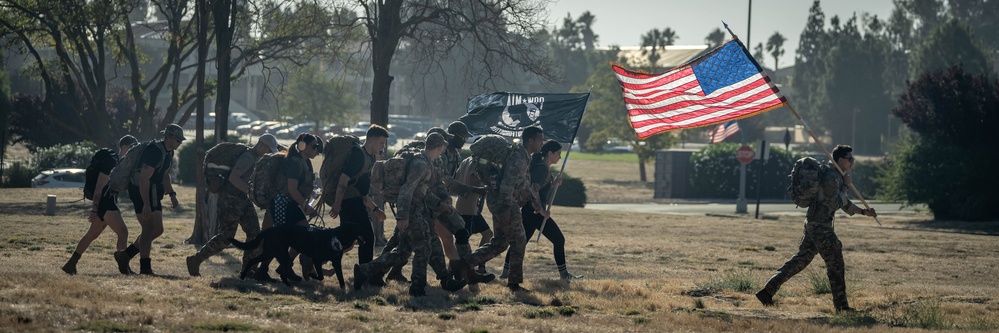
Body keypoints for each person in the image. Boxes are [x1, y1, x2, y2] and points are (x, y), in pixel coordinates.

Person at [756, 145, 877, 312]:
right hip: (820, 226)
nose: (852, 162)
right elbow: (833, 202)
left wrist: (864, 212)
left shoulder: (836, 176)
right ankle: (841, 307)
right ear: (841, 160)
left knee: (800, 260)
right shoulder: (831, 177)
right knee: (835, 263)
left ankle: (767, 292)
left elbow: (845, 203)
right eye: (850, 159)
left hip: (815, 224)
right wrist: (846, 186)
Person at [353, 132, 466, 296]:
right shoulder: (420, 164)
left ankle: (365, 271)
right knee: (424, 248)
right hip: (413, 211)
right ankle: (418, 287)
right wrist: (403, 217)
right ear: (440, 147)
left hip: (421, 209)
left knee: (408, 251)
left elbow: (423, 191)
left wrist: (440, 204)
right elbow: (407, 190)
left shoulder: (427, 162)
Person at [452, 126, 549, 292]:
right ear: (530, 141)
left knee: (500, 243)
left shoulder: (522, 156)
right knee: (518, 240)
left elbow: (522, 183)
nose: (542, 143)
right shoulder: (519, 158)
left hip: (501, 201)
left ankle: (464, 264)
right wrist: (504, 210)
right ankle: (513, 283)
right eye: (540, 140)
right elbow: (506, 185)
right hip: (504, 202)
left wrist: (533, 201)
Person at [186, 134, 281, 276]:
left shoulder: (254, 157)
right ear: (261, 145)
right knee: (226, 237)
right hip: (230, 200)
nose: (268, 153)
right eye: (267, 149)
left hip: (242, 200)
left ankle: (248, 269)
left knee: (254, 234)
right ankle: (195, 260)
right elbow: (233, 177)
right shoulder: (248, 157)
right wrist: (250, 192)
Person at [500, 139, 582, 280]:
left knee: (520, 242)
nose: (560, 157)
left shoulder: (543, 167)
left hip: (529, 211)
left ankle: (505, 273)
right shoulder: (542, 168)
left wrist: (554, 183)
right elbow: (534, 190)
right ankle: (564, 275)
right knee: (559, 240)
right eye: (558, 153)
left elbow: (540, 188)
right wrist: (541, 211)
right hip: (534, 212)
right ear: (550, 153)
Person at [62, 135, 139, 275]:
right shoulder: (111, 161)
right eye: (131, 147)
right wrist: (95, 209)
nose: (133, 150)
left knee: (92, 234)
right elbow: (99, 187)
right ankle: (123, 266)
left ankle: (71, 264)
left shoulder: (121, 163)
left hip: (108, 201)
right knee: (123, 232)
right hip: (105, 202)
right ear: (123, 147)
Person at [330, 125, 390, 265]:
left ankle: (313, 256)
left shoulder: (369, 157)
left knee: (347, 240)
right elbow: (343, 180)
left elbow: (360, 189)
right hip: (349, 203)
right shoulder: (358, 155)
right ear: (372, 140)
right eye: (381, 143)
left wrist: (375, 209)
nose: (383, 146)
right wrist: (338, 203)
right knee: (366, 236)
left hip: (356, 201)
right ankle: (364, 272)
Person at [453, 155, 493, 275]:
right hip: (468, 208)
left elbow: (457, 178)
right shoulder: (476, 162)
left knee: (488, 234)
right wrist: (485, 185)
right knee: (463, 243)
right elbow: (473, 179)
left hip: (467, 206)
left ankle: (480, 265)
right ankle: (456, 269)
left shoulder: (466, 160)